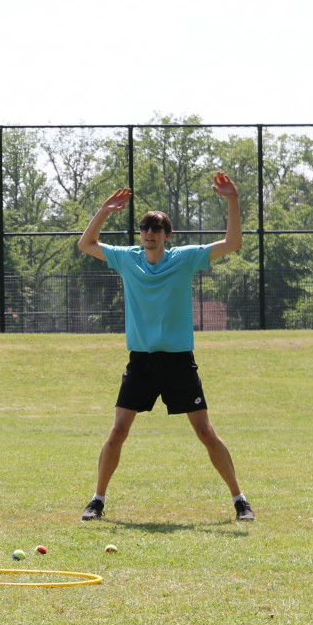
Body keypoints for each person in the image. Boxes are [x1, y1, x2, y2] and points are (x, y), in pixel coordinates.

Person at [76, 172, 254, 522]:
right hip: (141, 363)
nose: (149, 233)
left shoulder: (184, 259)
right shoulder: (128, 258)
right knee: (117, 431)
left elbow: (233, 243)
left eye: (156, 229)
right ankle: (97, 500)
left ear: (166, 236)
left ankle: (239, 500)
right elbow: (86, 244)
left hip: (177, 363)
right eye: (145, 228)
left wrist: (232, 200)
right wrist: (103, 211)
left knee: (205, 432)